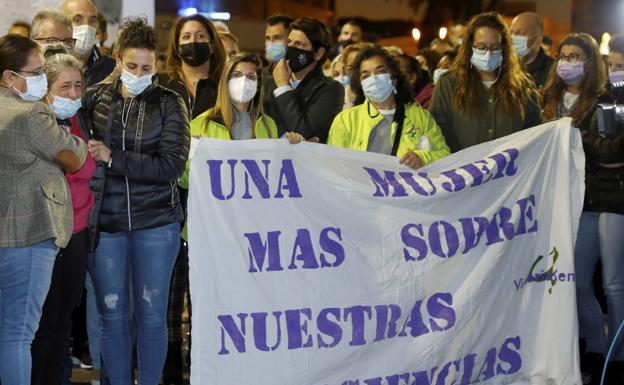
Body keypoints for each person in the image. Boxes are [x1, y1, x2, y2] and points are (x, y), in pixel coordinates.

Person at [82, 17, 190, 385]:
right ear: (117, 59)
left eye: (147, 67)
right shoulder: (94, 98)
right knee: (111, 315)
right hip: (106, 225)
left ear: (157, 65)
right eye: (131, 66)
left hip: (157, 224)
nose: (139, 73)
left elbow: (171, 166)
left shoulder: (171, 103)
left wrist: (114, 158)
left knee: (151, 315)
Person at [0, 34, 87, 385]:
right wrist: (78, 142)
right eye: (35, 72)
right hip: (29, 233)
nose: (40, 80)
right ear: (9, 77)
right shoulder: (32, 112)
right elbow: (73, 156)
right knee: (17, 334)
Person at [30, 45, 96, 385]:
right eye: (64, 87)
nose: (72, 93)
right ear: (46, 89)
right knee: (41, 322)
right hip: (43, 232)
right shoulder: (35, 120)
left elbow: (84, 169)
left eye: (77, 86)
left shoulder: (78, 119)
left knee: (62, 321)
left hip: (78, 230)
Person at [429, 12, 541, 153]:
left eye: (495, 47)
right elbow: (436, 134)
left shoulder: (523, 86)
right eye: (481, 47)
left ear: (504, 49)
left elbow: (535, 135)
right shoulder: (449, 84)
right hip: (463, 171)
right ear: (470, 47)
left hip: (511, 172)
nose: (488, 53)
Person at [328, 46, 449, 168]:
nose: (373, 79)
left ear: (394, 79)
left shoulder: (421, 117)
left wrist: (422, 158)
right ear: (360, 84)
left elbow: (444, 154)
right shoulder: (345, 120)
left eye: (380, 71)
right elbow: (333, 165)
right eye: (366, 76)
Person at [264, 17, 344, 143]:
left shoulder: (330, 89)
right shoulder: (268, 83)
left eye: (299, 44)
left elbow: (305, 132)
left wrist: (283, 87)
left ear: (318, 53)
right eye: (289, 42)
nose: (290, 48)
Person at [160, 13, 226, 119]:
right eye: (186, 37)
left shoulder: (224, 87)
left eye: (200, 36)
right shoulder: (160, 84)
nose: (193, 41)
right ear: (177, 48)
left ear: (212, 46)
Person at [542, 33, 605, 130]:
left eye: (573, 56)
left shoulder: (600, 100)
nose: (565, 61)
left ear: (589, 63)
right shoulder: (547, 94)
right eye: (562, 56)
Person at [60, 0, 115, 86]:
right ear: (61, 25)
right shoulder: (47, 67)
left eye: (92, 21)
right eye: (78, 20)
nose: (87, 26)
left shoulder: (111, 69)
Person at [510, 12, 554, 90]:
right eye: (511, 33)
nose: (513, 38)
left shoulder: (553, 71)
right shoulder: (504, 67)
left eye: (520, 33)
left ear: (538, 38)